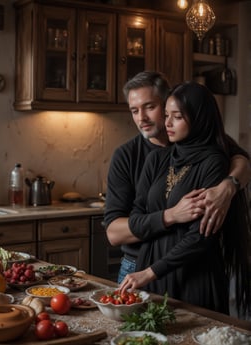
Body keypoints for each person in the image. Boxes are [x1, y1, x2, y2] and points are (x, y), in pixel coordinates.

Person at [105, 71, 251, 284]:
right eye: (134, 111)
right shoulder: (127, 155)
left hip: (193, 266)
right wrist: (171, 215)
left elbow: (242, 161)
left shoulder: (200, 141)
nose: (141, 118)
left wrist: (228, 187)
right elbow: (114, 233)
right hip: (138, 265)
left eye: (149, 107)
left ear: (169, 102)